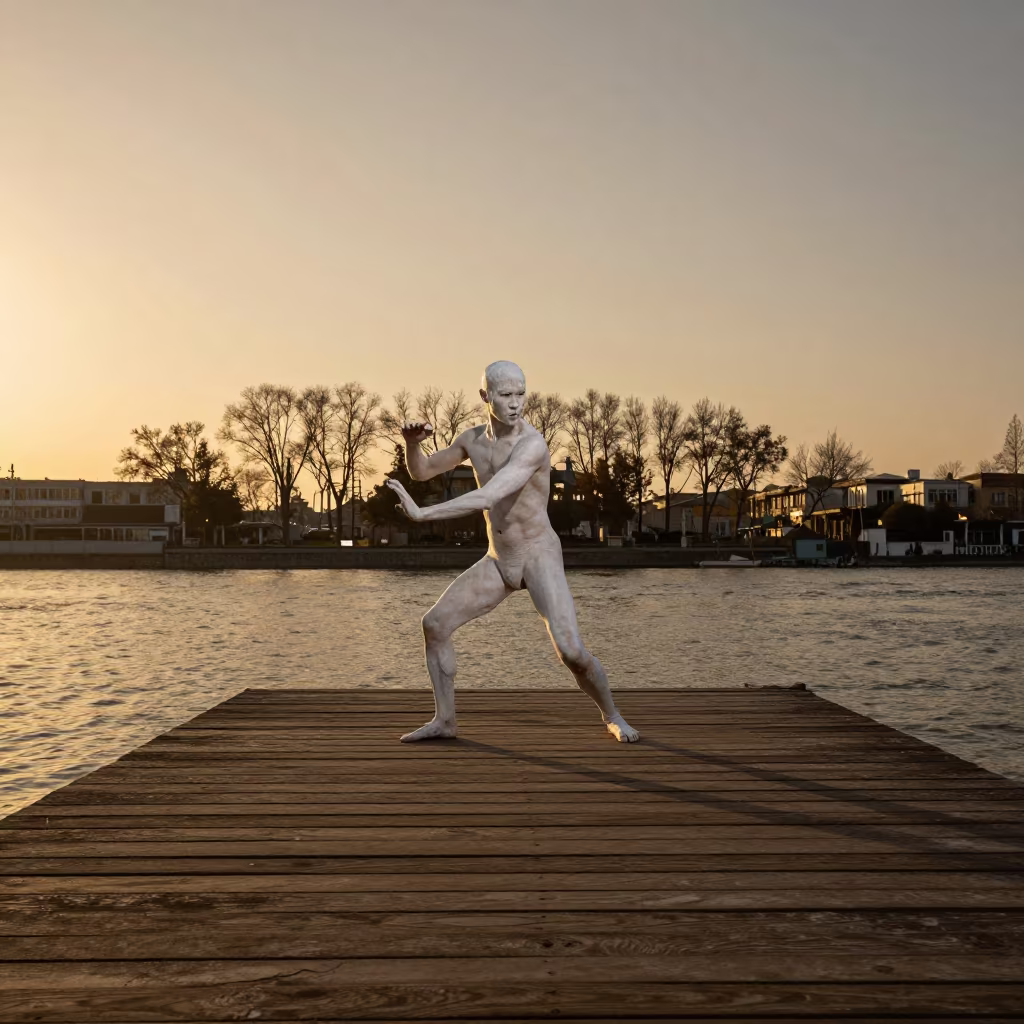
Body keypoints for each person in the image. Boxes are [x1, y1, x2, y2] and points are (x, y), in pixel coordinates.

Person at [386, 360, 639, 744]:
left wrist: (423, 514)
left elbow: (490, 494)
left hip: (539, 556)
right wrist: (412, 444)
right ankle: (445, 720)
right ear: (485, 396)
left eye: (521, 393)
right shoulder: (471, 440)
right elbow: (421, 472)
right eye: (505, 395)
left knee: (571, 652)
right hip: (499, 558)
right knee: (434, 625)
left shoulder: (532, 445)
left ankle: (613, 715)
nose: (516, 403)